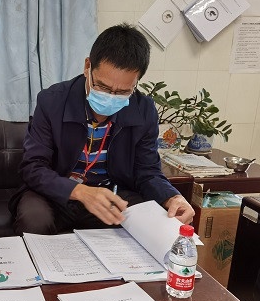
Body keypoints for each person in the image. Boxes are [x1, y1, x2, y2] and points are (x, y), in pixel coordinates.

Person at [11, 23, 194, 235]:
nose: (110, 97)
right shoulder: (52, 101)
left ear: (136, 82)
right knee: (34, 218)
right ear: (87, 66)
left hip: (110, 196)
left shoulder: (144, 111)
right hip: (55, 194)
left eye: (123, 91)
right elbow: (33, 167)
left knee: (154, 222)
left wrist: (172, 197)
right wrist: (80, 191)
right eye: (102, 86)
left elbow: (148, 172)